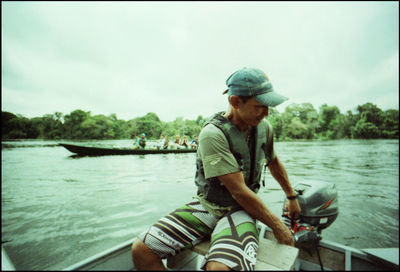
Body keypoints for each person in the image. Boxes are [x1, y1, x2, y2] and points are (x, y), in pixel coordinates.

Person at [131, 67, 301, 271]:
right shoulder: (213, 134)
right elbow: (238, 191)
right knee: (141, 250)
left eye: (268, 107)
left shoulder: (264, 127)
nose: (266, 113)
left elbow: (272, 161)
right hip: (208, 206)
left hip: (241, 211)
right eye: (260, 106)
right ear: (236, 102)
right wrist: (278, 226)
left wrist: (291, 197)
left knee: (219, 269)